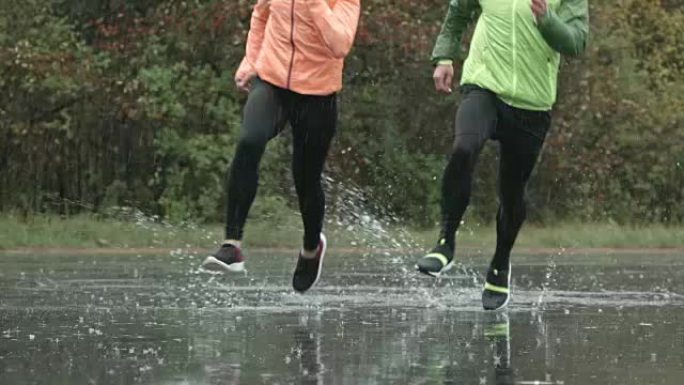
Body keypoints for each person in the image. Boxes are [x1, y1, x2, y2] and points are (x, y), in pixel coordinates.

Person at [416, 0, 589, 310]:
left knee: (511, 193)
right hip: (484, 85)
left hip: (532, 103)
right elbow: (458, 13)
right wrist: (444, 56)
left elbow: (576, 42)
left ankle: (500, 261)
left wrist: (548, 19)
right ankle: (445, 241)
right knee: (463, 149)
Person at [202, 0, 361, 293]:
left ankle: (312, 247)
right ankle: (231, 244)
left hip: (318, 95)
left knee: (306, 181)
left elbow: (339, 44)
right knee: (249, 141)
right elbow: (261, 15)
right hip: (272, 82)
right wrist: (252, 60)